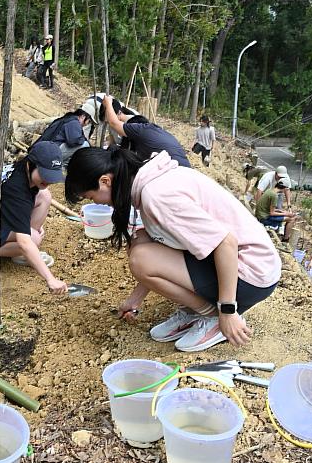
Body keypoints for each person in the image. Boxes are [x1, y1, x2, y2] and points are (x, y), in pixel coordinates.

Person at [65, 146, 281, 352]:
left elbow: (226, 243)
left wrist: (227, 311)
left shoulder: (156, 196)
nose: (98, 204)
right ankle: (195, 310)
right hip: (238, 263)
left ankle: (211, 317)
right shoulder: (149, 179)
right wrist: (135, 299)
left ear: (105, 181)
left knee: (141, 258)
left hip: (251, 273)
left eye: (91, 197)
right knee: (140, 240)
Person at [0, 141, 68, 293]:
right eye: (44, 174)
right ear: (31, 164)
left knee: (45, 196)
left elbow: (21, 204)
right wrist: (51, 279)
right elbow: (24, 240)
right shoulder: (16, 188)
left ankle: (20, 253)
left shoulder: (22, 169)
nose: (48, 180)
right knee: (32, 239)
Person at [99, 95, 192, 167]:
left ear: (119, 113)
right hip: (178, 167)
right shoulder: (142, 126)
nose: (111, 127)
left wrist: (108, 103)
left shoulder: (136, 125)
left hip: (175, 169)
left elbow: (114, 123)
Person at [32, 99, 96, 163]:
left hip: (46, 149)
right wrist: (84, 139)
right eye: (89, 121)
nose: (87, 124)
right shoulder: (74, 123)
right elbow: (73, 142)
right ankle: (64, 164)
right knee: (85, 144)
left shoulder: (69, 118)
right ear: (83, 116)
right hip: (50, 152)